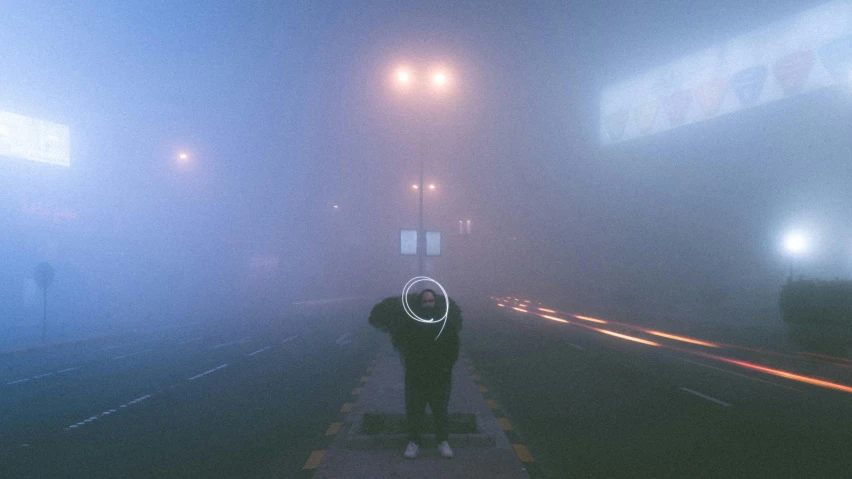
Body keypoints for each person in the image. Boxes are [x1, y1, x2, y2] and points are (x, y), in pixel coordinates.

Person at [396, 289, 460, 459]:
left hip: (439, 377)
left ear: (435, 302)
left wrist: (446, 368)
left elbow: (453, 347)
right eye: (424, 301)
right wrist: (410, 367)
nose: (428, 304)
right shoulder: (411, 324)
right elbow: (405, 347)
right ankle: (414, 442)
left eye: (430, 301)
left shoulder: (444, 323)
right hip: (416, 378)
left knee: (441, 412)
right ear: (420, 304)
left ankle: (443, 442)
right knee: (415, 412)